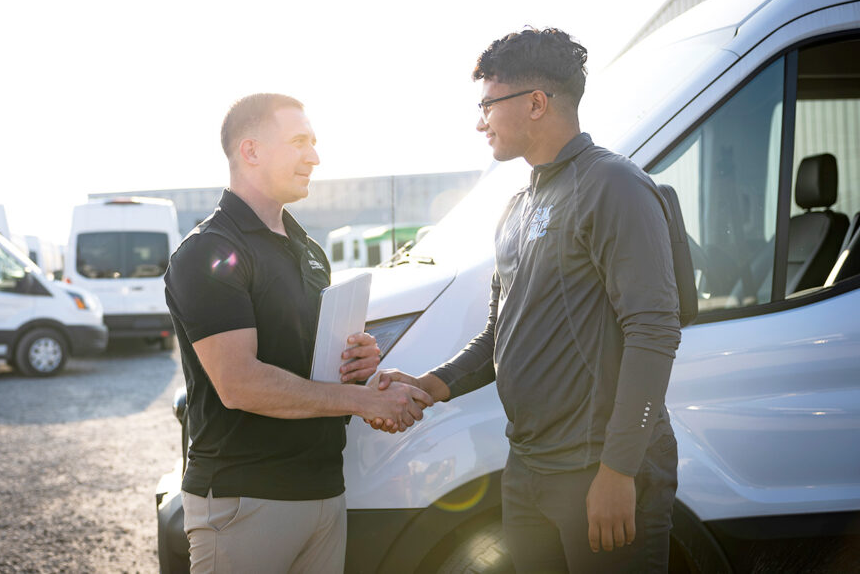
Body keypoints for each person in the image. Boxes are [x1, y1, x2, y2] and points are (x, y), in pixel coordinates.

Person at [371, 29, 681, 573]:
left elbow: (654, 332)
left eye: (488, 103)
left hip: (596, 471)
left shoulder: (614, 186)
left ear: (536, 103)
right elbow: (500, 333)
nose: (479, 120)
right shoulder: (517, 204)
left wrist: (618, 471)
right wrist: (428, 385)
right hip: (529, 470)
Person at [165, 92, 432, 574]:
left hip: (324, 494)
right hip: (245, 500)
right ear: (251, 151)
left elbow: (307, 365)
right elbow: (239, 383)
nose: (314, 156)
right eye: (299, 142)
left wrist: (356, 364)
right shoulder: (209, 251)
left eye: (314, 142)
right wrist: (363, 402)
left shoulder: (309, 249)